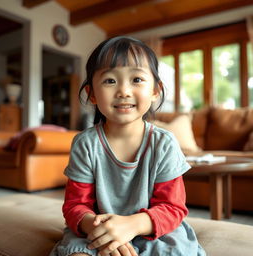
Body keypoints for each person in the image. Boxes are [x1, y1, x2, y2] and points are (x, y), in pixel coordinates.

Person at [50, 36, 206, 256]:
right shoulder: (85, 144)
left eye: (137, 79)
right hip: (96, 228)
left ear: (155, 90)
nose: (124, 91)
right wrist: (103, 232)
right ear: (92, 94)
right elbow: (75, 206)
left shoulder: (164, 143)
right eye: (110, 81)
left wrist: (132, 226)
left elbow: (173, 208)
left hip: (152, 228)